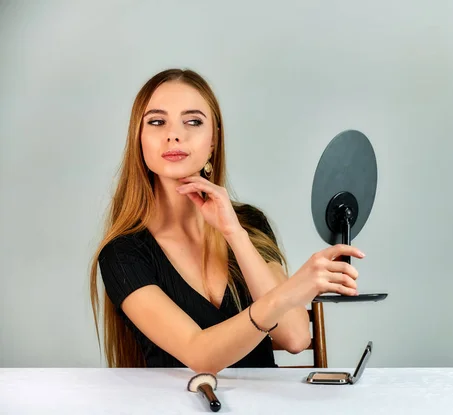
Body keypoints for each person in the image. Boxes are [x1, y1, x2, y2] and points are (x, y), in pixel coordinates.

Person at [89, 68, 364, 374]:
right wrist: (292, 291)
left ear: (213, 140)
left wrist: (234, 233)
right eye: (157, 121)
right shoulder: (123, 253)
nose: (174, 134)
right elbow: (199, 354)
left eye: (193, 121)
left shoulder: (249, 224)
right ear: (139, 140)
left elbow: (295, 336)